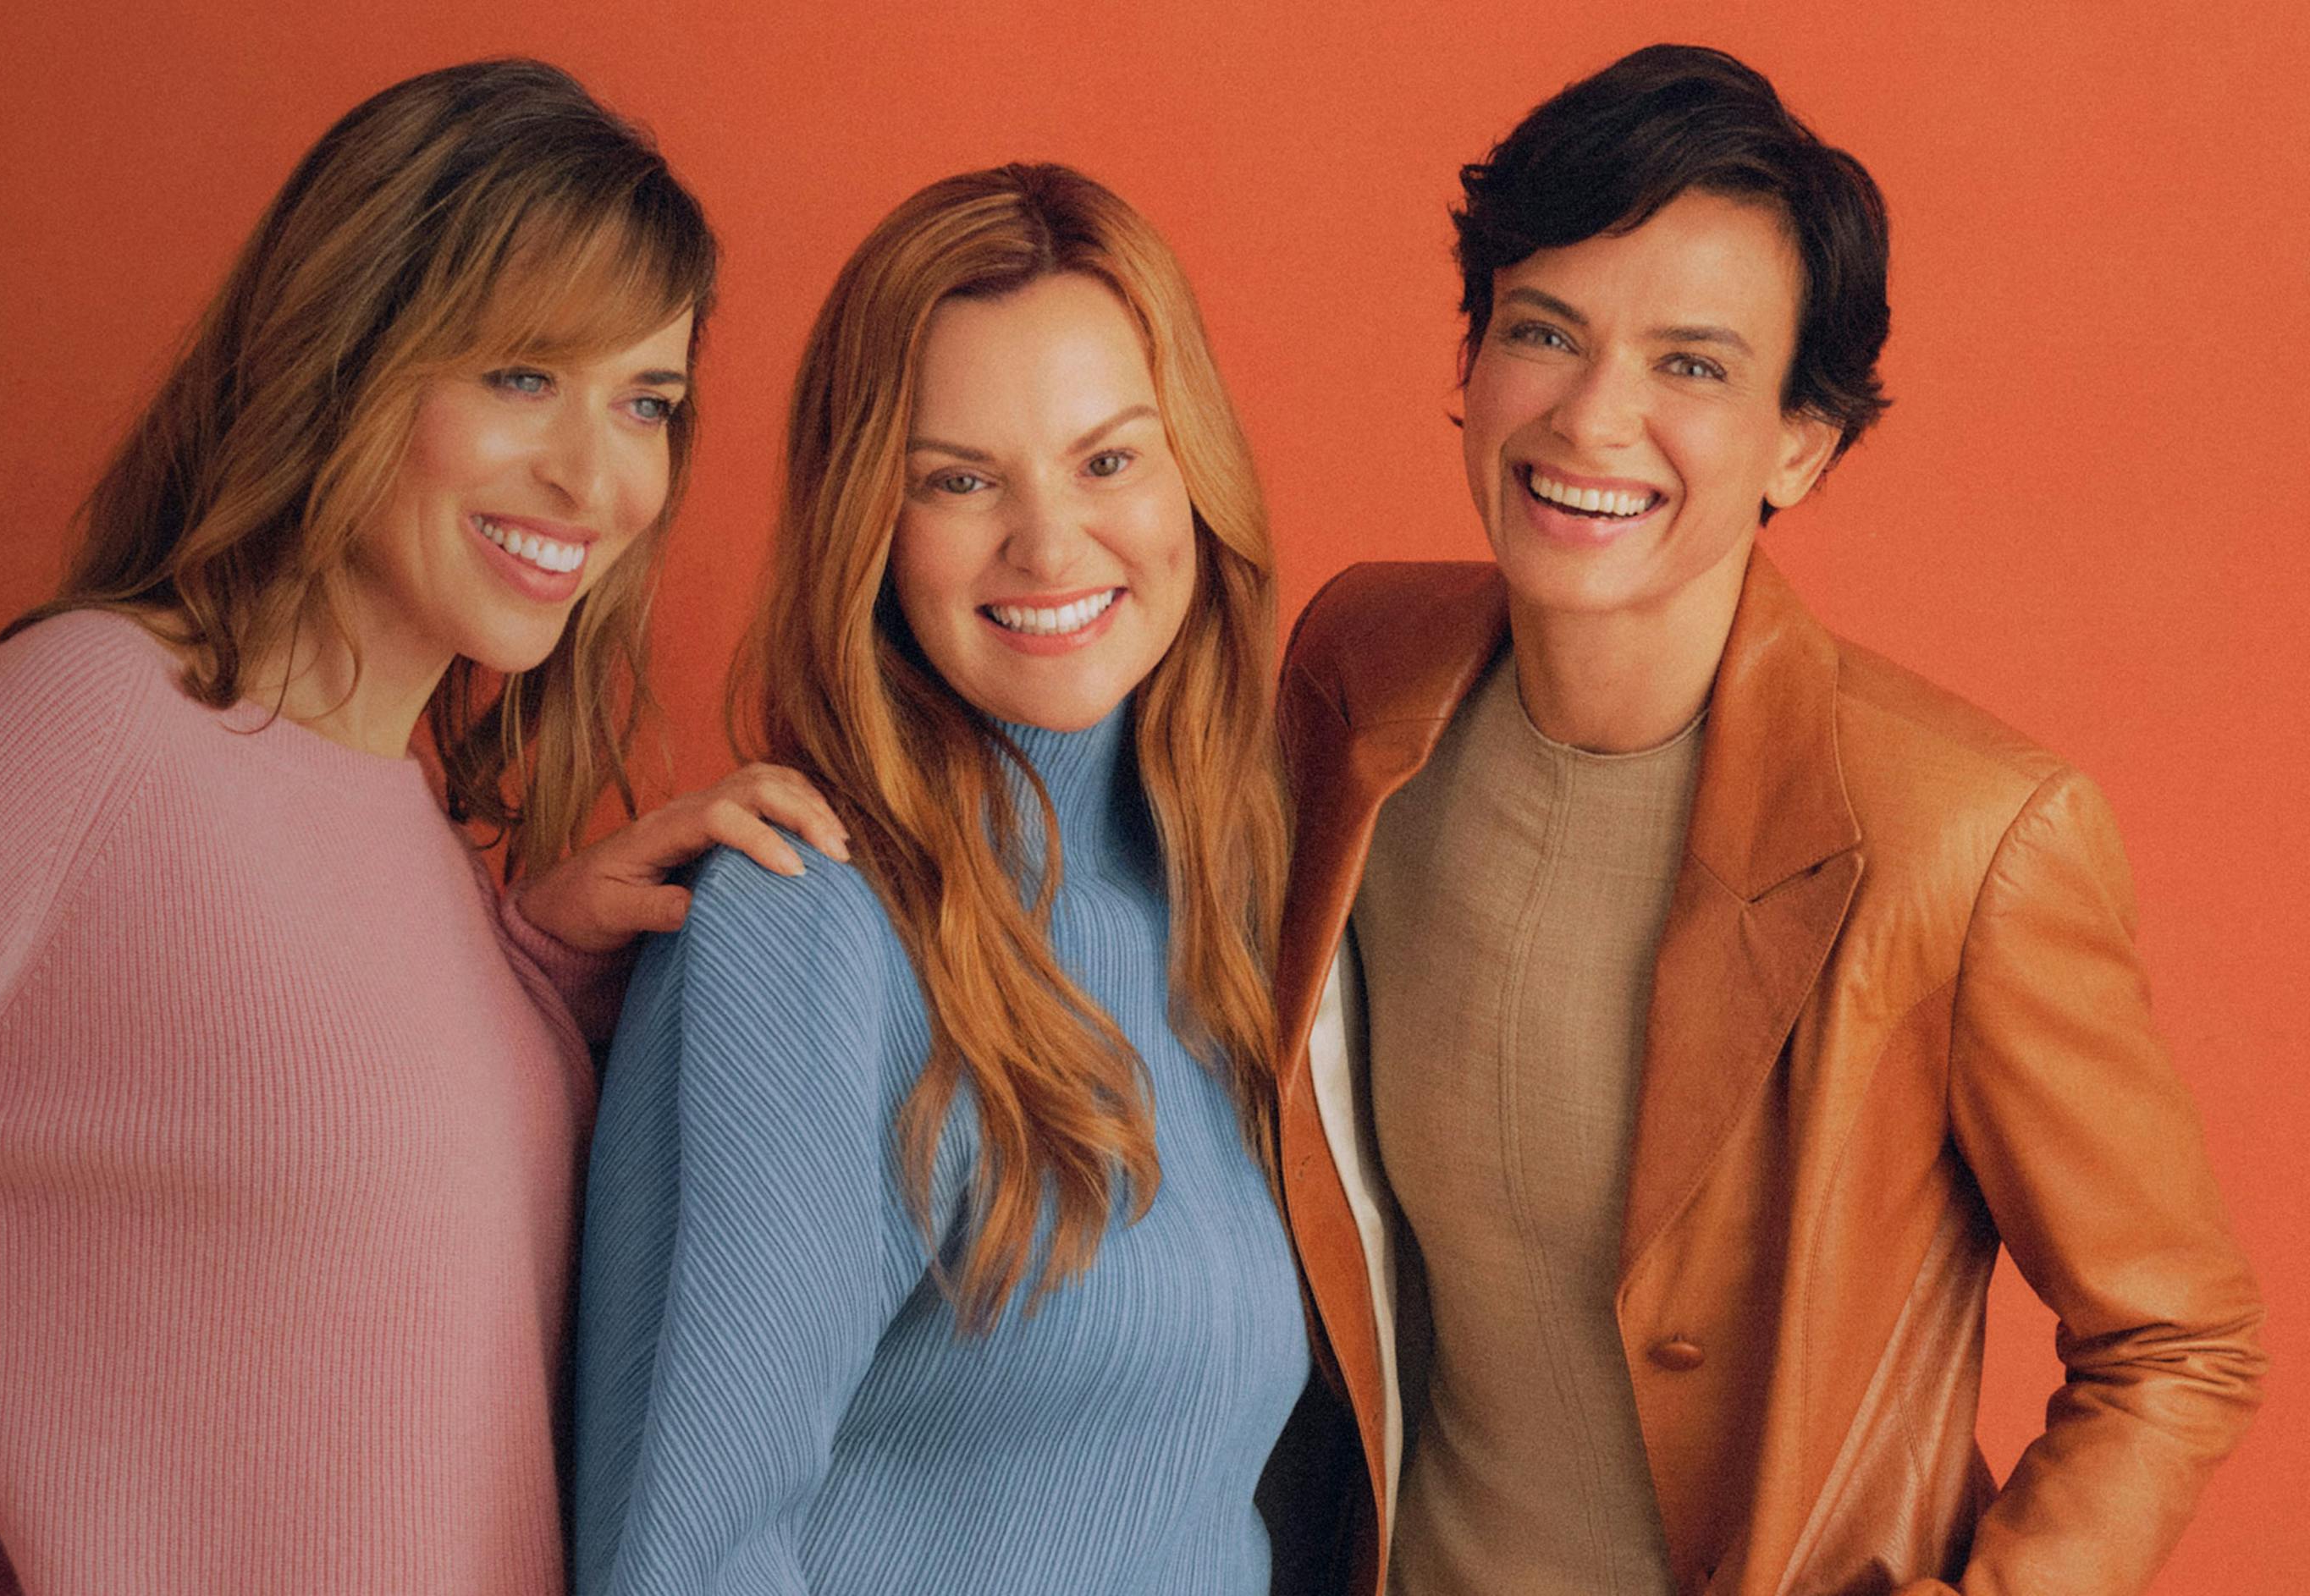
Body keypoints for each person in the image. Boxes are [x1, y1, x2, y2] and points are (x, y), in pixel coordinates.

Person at [0, 58, 843, 1596]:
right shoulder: (101, 723)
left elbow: (319, 1340)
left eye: (646, 401)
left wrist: (537, 967)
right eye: (523, 375)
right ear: (348, 354)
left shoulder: (417, 829)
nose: (597, 473)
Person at [1266, 43, 2266, 1596]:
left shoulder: (1967, 837)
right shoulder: (1355, 675)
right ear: (1469, 367)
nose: (1594, 418)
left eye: (1692, 365)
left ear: (1803, 439)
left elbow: (2179, 1339)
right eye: (1545, 331)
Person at [568, 162, 1313, 1596]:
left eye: (1109, 461)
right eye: (958, 481)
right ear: (870, 523)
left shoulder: (1226, 893)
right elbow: (691, 1557)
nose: (1049, 543)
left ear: (1195, 477)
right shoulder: (810, 920)